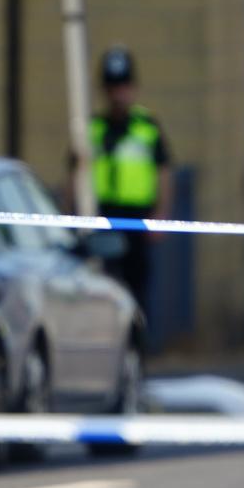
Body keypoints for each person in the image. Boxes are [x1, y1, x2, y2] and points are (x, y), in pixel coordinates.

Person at [75, 46, 173, 314]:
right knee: (102, 287)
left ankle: (138, 347)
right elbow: (74, 173)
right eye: (112, 86)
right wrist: (71, 215)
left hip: (138, 218)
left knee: (137, 287)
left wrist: (161, 213)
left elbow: (163, 170)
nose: (118, 94)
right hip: (101, 216)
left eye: (123, 86)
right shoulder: (92, 128)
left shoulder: (147, 126)